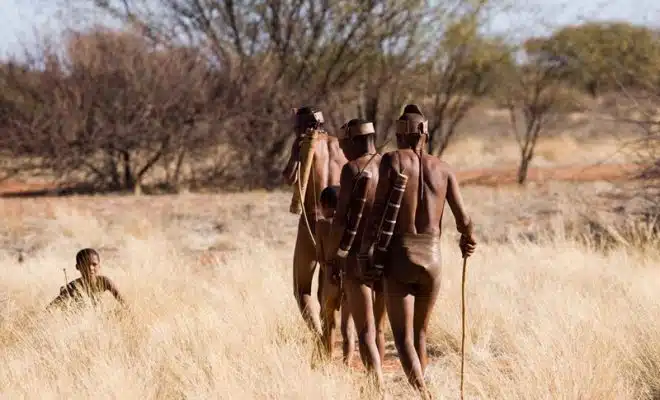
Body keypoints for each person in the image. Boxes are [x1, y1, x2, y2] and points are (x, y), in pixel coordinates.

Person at [357, 105, 476, 398]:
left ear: (400, 133)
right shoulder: (444, 168)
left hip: (400, 256)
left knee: (403, 337)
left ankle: (424, 393)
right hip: (433, 259)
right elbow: (464, 220)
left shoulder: (392, 161)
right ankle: (421, 389)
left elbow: (378, 211)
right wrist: (468, 239)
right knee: (421, 334)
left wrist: (365, 253)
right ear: (425, 133)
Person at [328, 118, 386, 387]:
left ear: (353, 141)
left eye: (343, 145)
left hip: (357, 257)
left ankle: (377, 386)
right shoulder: (389, 164)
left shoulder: (352, 169)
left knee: (365, 330)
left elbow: (340, 219)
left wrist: (334, 257)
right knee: (381, 329)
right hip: (387, 256)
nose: (342, 151)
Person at [282, 106, 348, 337]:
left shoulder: (304, 146)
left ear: (302, 127)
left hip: (311, 221)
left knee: (302, 290)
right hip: (337, 224)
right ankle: (330, 337)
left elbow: (289, 177)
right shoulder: (342, 145)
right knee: (328, 287)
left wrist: (294, 152)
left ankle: (320, 340)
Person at [314, 185, 355, 365]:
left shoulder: (321, 225)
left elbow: (319, 256)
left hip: (330, 277)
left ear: (323, 204)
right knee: (348, 326)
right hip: (348, 277)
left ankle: (328, 360)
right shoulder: (349, 223)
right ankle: (348, 362)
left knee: (329, 322)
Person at [47, 248, 127, 311]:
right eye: (85, 264)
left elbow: (124, 303)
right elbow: (51, 307)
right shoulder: (72, 287)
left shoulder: (105, 282)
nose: (91, 268)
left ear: (99, 265)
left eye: (94, 264)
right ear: (77, 267)